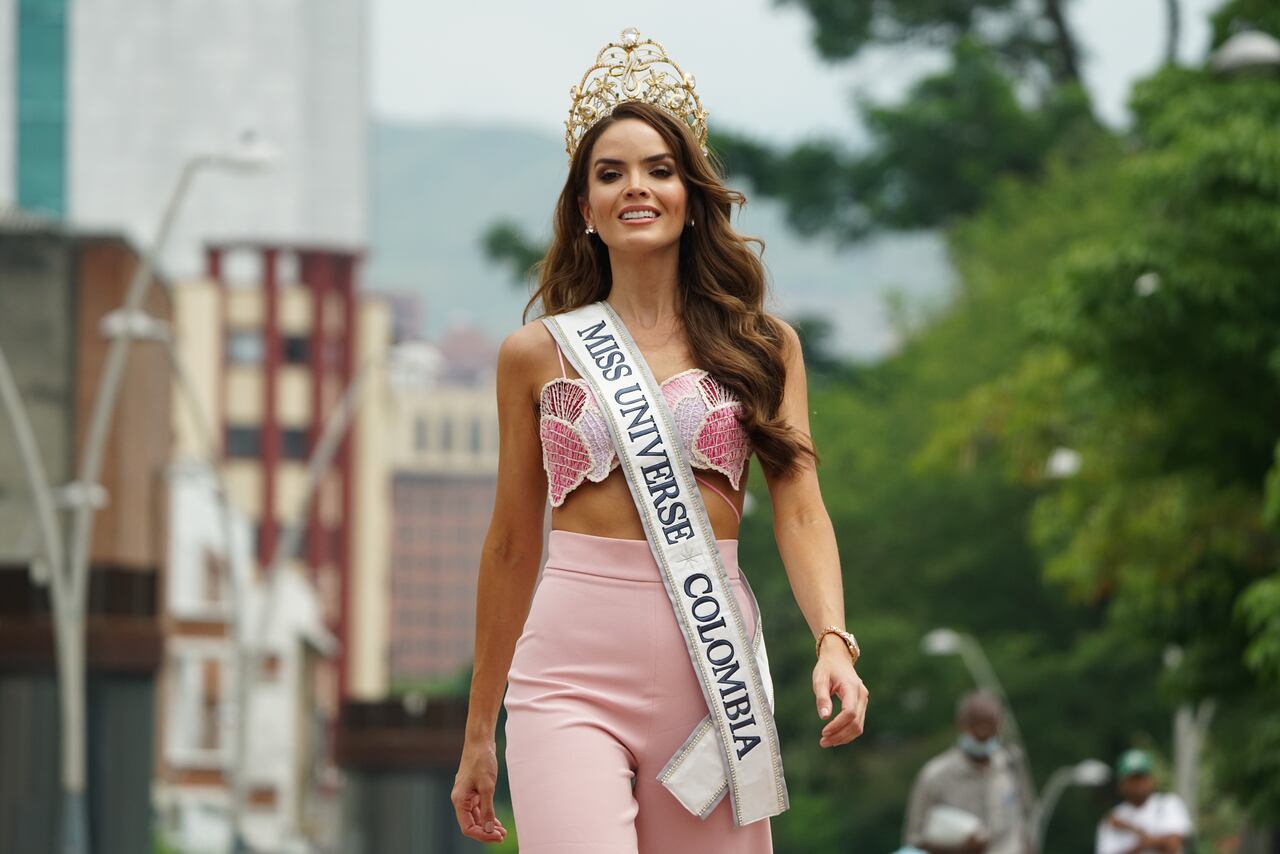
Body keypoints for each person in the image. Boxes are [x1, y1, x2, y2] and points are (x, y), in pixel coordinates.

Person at [449, 26, 869, 854]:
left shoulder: (763, 347)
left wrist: (833, 639)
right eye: (610, 174)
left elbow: (799, 509)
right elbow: (511, 545)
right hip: (567, 670)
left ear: (691, 195)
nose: (635, 187)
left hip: (712, 672)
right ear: (585, 208)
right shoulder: (534, 355)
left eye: (659, 169)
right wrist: (477, 729)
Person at [903, 692, 1032, 854]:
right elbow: (913, 842)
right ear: (961, 724)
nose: (983, 735)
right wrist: (960, 849)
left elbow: (1026, 823)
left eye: (990, 726)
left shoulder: (1011, 764)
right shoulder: (935, 776)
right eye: (977, 726)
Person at [1095, 750, 1193, 854]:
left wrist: (1131, 829)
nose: (1138, 784)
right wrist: (1156, 841)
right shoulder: (1114, 816)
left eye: (1141, 778)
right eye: (1132, 780)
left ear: (1152, 779)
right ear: (1121, 784)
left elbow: (1173, 846)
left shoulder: (1168, 804)